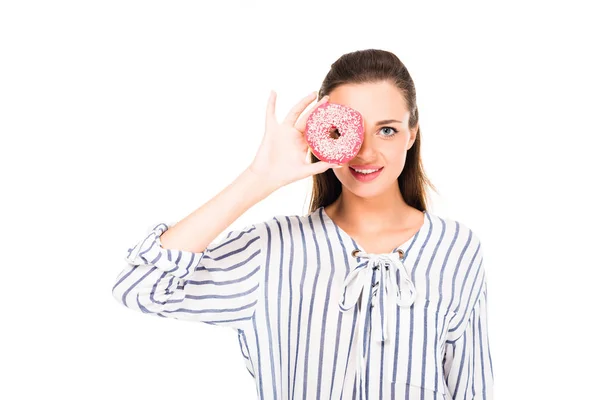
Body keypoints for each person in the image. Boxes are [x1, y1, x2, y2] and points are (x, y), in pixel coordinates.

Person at [112, 48, 494, 400]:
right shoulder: (273, 249)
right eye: (348, 131)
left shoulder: (456, 247)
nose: (365, 152)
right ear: (321, 135)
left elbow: (471, 387)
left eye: (387, 129)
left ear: (411, 133)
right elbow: (142, 286)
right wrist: (259, 177)